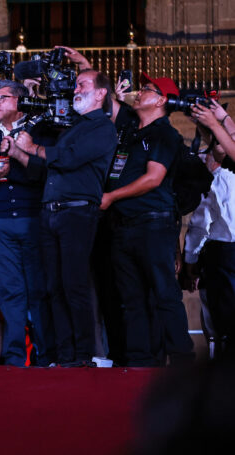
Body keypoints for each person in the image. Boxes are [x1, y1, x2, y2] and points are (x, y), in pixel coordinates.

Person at [6, 69, 118, 367]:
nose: (76, 90)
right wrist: (19, 154)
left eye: (83, 85)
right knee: (54, 286)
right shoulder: (73, 127)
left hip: (78, 212)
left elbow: (69, 158)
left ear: (101, 93)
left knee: (74, 285)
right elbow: (50, 168)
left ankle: (83, 355)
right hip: (51, 211)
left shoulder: (102, 128)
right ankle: (65, 354)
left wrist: (34, 148)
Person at [99, 74, 195, 366]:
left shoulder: (164, 134)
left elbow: (154, 178)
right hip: (123, 225)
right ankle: (141, 361)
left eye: (146, 89)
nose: (139, 93)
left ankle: (181, 361)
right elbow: (111, 103)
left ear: (162, 100)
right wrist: (84, 65)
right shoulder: (130, 130)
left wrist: (112, 197)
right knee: (131, 299)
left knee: (164, 294)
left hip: (152, 223)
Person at [0, 80, 54, 367]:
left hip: (33, 218)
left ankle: (46, 355)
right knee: (9, 292)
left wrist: (18, 160)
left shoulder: (39, 133)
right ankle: (15, 357)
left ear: (20, 101)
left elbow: (48, 175)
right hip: (1, 221)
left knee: (38, 289)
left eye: (3, 97)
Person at [184, 148, 235, 359]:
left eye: (204, 153)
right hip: (224, 254)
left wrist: (190, 261)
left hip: (224, 255)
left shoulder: (213, 182)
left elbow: (200, 225)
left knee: (218, 323)